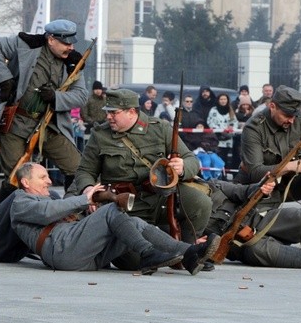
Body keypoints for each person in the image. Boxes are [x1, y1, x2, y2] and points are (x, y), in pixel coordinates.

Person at [11, 162, 221, 275]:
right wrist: (86, 198)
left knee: (135, 222)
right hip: (61, 252)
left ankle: (190, 254)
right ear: (25, 183)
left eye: (48, 176)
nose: (49, 181)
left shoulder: (50, 197)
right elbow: (48, 212)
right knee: (112, 210)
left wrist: (91, 204)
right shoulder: (20, 203)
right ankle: (147, 253)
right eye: (42, 177)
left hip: (82, 254)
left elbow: (63, 211)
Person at [73, 89, 213, 254]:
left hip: (161, 197)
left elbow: (191, 159)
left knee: (200, 202)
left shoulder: (160, 128)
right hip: (124, 205)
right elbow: (84, 171)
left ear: (131, 112)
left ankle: (190, 248)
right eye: (107, 112)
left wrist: (182, 167)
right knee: (133, 260)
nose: (108, 117)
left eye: (113, 113)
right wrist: (88, 189)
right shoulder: (100, 135)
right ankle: (174, 248)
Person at [0, 19, 88, 203]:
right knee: (17, 179)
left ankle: (71, 212)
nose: (70, 47)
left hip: (49, 126)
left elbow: (81, 96)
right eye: (65, 43)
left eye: (72, 43)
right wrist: (4, 79)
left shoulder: (72, 63)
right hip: (15, 123)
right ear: (50, 39)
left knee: (78, 170)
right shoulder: (27, 45)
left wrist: (56, 97)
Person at [235, 85, 301, 216]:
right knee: (261, 231)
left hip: (288, 184)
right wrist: (290, 166)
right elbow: (256, 172)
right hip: (258, 188)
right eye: (287, 115)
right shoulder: (253, 128)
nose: (292, 120)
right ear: (272, 107)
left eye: (295, 115)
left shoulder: (298, 119)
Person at [206, 92, 237, 164]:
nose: (223, 101)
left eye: (225, 99)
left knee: (226, 159)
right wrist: (220, 131)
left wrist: (231, 129)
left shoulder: (230, 110)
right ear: (218, 100)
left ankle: (224, 174)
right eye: (221, 99)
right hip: (217, 139)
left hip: (228, 140)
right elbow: (210, 122)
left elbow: (235, 122)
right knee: (218, 157)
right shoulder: (214, 110)